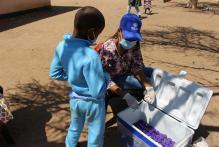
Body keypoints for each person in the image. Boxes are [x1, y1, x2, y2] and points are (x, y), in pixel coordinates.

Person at [49, 6, 109, 147]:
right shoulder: (91, 56)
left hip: (75, 100)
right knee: (95, 135)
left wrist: (73, 77)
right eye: (98, 33)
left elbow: (55, 73)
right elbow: (97, 91)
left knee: (74, 128)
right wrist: (106, 76)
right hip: (93, 104)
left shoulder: (61, 46)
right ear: (91, 32)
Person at [96, 13, 155, 109]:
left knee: (153, 73)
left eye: (134, 38)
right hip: (111, 78)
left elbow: (137, 64)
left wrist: (148, 87)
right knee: (137, 84)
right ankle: (111, 97)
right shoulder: (108, 49)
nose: (131, 42)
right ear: (119, 31)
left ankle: (145, 91)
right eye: (128, 37)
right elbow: (104, 79)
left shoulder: (135, 43)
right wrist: (125, 96)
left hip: (126, 71)